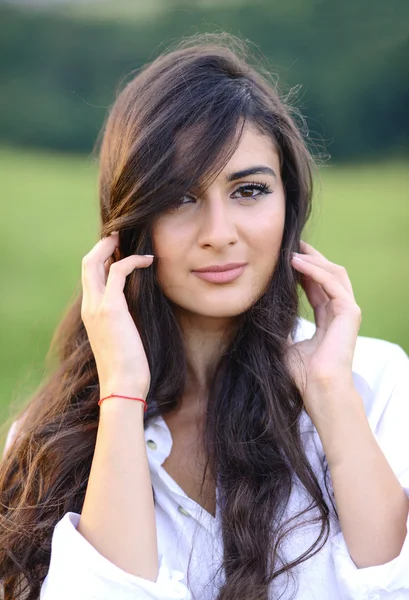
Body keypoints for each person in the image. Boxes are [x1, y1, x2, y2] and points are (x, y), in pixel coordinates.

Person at [0, 32, 408, 600]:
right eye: (179, 198)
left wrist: (330, 393)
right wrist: (122, 394)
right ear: (131, 221)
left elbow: (393, 586)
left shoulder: (376, 382)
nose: (220, 235)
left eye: (249, 190)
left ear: (288, 205)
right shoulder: (49, 438)